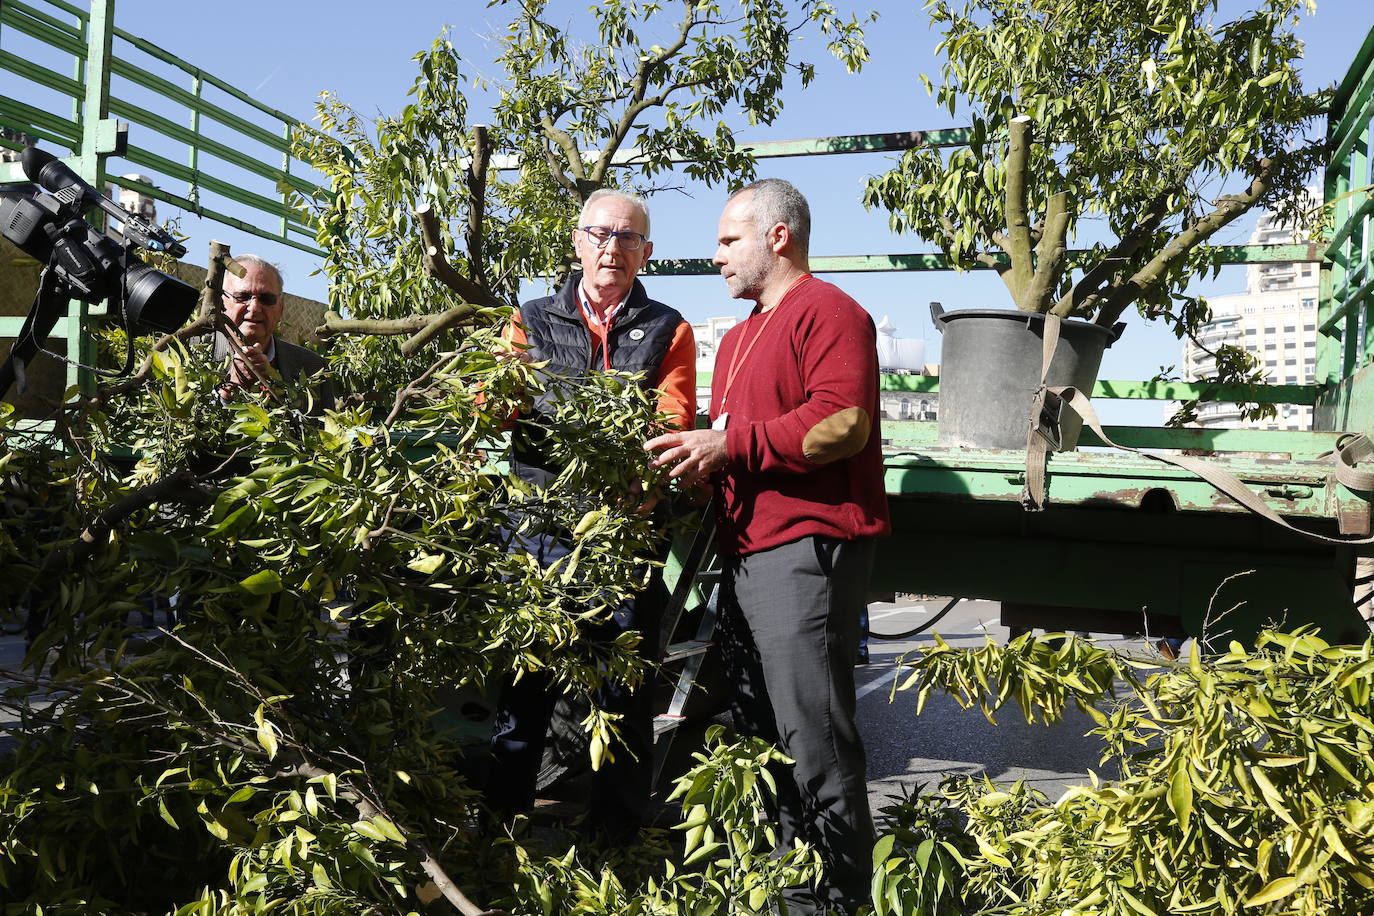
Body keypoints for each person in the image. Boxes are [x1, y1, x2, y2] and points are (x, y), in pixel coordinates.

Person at [645, 178, 889, 915]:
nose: (716, 256)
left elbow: (844, 424)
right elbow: (728, 443)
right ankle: (792, 893)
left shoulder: (832, 313)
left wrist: (734, 444)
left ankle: (839, 900)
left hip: (804, 552)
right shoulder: (745, 331)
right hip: (749, 557)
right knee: (763, 733)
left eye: (728, 240)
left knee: (813, 738)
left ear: (777, 236)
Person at [483, 189, 696, 839]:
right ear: (576, 244)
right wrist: (478, 395)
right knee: (525, 690)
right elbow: (493, 411)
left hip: (622, 539)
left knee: (624, 696)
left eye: (628, 238)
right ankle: (498, 834)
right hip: (537, 537)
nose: (613, 248)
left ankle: (615, 844)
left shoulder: (669, 328)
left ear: (646, 253)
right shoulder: (528, 322)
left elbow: (673, 422)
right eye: (601, 234)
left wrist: (641, 486)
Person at [215, 254, 336, 410]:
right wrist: (230, 390)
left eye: (266, 299)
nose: (255, 308)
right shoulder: (191, 353)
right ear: (221, 302)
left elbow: (326, 431)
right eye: (242, 296)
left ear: (281, 308)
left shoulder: (313, 368)